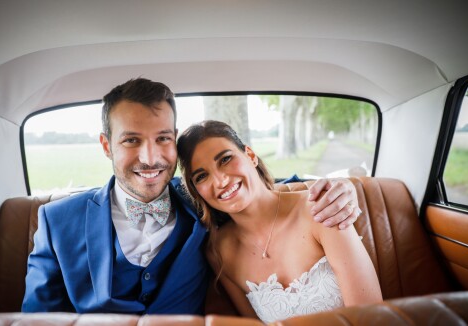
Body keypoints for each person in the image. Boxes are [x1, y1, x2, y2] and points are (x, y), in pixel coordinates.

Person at [22, 78, 362, 314]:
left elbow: (258, 191)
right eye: (131, 140)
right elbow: (37, 320)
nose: (151, 158)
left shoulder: (197, 197)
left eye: (163, 138)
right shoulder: (57, 221)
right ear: (107, 145)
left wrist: (339, 187)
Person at [177, 120, 382, 323]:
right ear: (196, 191)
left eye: (225, 159)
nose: (220, 181)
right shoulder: (219, 251)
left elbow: (370, 318)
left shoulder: (319, 209)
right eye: (202, 176)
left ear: (250, 156)